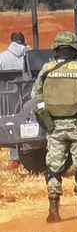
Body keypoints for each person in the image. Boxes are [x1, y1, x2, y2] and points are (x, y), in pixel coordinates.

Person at [31, 31, 77, 223]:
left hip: (54, 127)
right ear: (74, 50)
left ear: (56, 50)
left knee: (53, 169)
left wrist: (46, 118)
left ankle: (54, 211)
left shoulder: (46, 70)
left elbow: (35, 98)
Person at [0, 32, 29, 168]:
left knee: (10, 122)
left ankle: (15, 158)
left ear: (11, 42)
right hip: (24, 97)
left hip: (6, 98)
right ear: (23, 42)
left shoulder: (2, 57)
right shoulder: (28, 55)